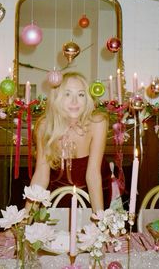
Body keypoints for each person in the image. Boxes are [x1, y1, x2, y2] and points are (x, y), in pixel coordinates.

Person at [29, 71, 111, 212]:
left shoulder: (98, 123)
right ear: (57, 97)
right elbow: (41, 175)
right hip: (56, 195)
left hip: (94, 195)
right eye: (67, 94)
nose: (74, 101)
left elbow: (93, 174)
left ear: (87, 99)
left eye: (80, 94)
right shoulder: (45, 126)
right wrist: (25, 220)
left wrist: (99, 220)